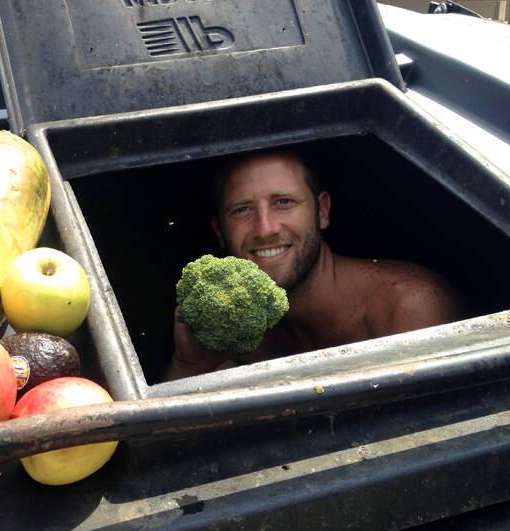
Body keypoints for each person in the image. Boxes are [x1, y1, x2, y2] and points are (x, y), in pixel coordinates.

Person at [165, 148, 465, 381]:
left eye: (283, 202)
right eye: (242, 210)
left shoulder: (407, 307)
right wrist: (190, 366)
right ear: (219, 231)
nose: (265, 228)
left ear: (321, 211)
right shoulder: (241, 338)